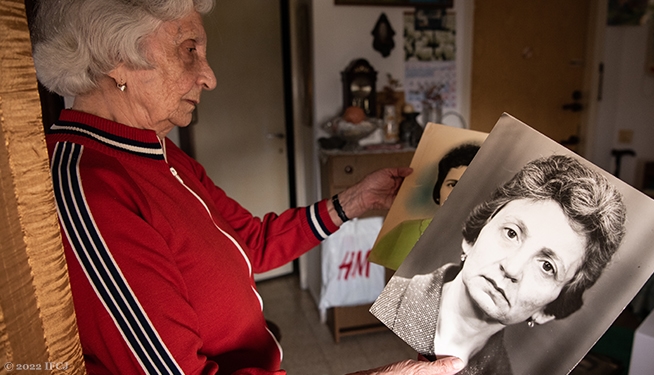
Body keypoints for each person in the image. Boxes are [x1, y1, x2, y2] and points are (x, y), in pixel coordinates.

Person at [31, 1, 464, 374]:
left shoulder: (158, 152)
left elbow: (250, 241)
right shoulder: (87, 185)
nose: (209, 76)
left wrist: (357, 199)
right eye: (189, 51)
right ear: (114, 57)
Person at [371, 155, 627, 374]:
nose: (512, 268)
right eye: (512, 233)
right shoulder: (393, 301)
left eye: (547, 266)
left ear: (548, 311)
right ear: (473, 237)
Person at [371, 143, 480, 270]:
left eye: (469, 186)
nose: (457, 194)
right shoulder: (403, 232)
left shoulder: (492, 244)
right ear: (438, 189)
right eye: (452, 184)